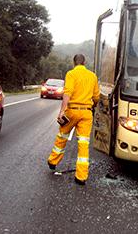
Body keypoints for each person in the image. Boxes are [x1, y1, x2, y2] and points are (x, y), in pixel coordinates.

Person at [47, 54, 100, 185]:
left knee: (63, 136)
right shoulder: (92, 76)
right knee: (83, 144)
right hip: (86, 113)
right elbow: (96, 96)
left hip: (72, 111)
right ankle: (81, 176)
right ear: (84, 62)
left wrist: (62, 111)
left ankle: (53, 161)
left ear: (74, 63)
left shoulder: (71, 74)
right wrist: (93, 106)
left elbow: (67, 93)